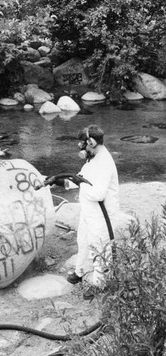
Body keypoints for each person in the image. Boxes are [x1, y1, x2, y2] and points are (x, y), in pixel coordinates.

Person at [65, 124, 119, 299]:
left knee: (99, 249)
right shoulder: (93, 157)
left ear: (92, 142)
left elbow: (98, 193)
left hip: (101, 215)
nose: (82, 148)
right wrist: (60, 182)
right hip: (89, 211)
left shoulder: (104, 162)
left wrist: (80, 184)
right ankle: (79, 272)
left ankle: (99, 285)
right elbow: (82, 177)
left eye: (84, 144)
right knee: (82, 241)